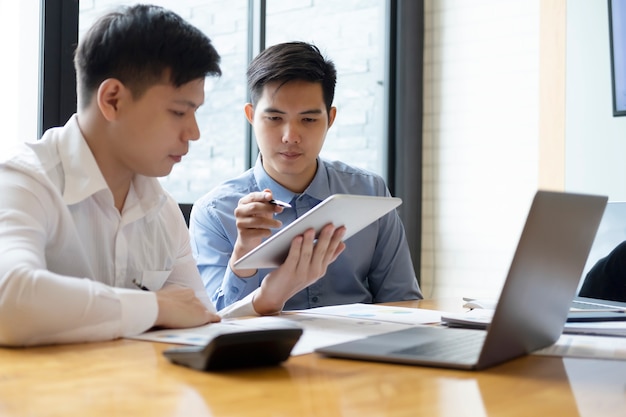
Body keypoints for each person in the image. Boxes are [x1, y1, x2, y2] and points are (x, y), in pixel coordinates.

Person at [0, 6, 345, 347]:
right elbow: (8, 299)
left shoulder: (160, 208)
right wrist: (156, 306)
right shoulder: (23, 181)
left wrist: (267, 298)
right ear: (113, 99)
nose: (194, 133)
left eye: (194, 112)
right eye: (179, 111)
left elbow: (200, 323)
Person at [190, 41, 423, 312]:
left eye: (309, 120)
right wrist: (244, 254)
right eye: (275, 118)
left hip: (357, 348)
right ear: (251, 116)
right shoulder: (215, 211)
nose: (291, 136)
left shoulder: (369, 192)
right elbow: (212, 319)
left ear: (330, 119)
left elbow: (402, 301)